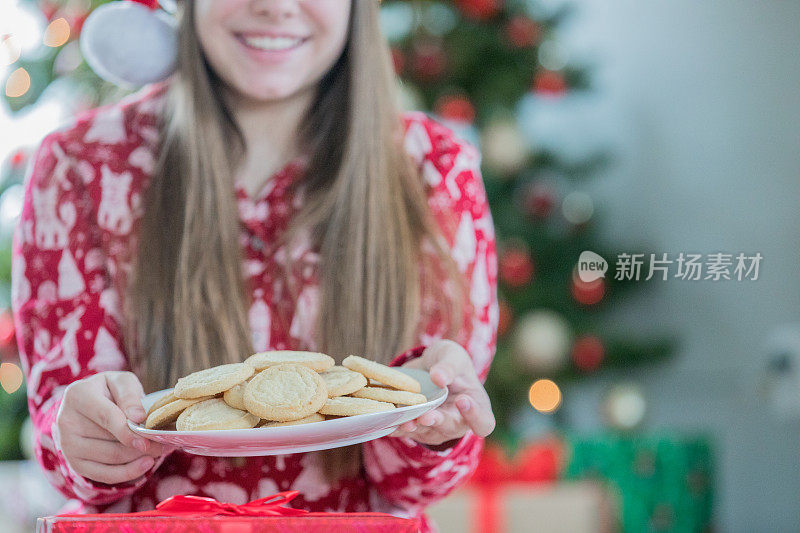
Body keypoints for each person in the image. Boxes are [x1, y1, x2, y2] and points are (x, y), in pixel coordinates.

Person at [12, 1, 498, 529]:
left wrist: (436, 427)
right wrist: (88, 439)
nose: (274, 6)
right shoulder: (82, 166)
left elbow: (421, 482)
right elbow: (67, 449)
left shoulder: (435, 169)